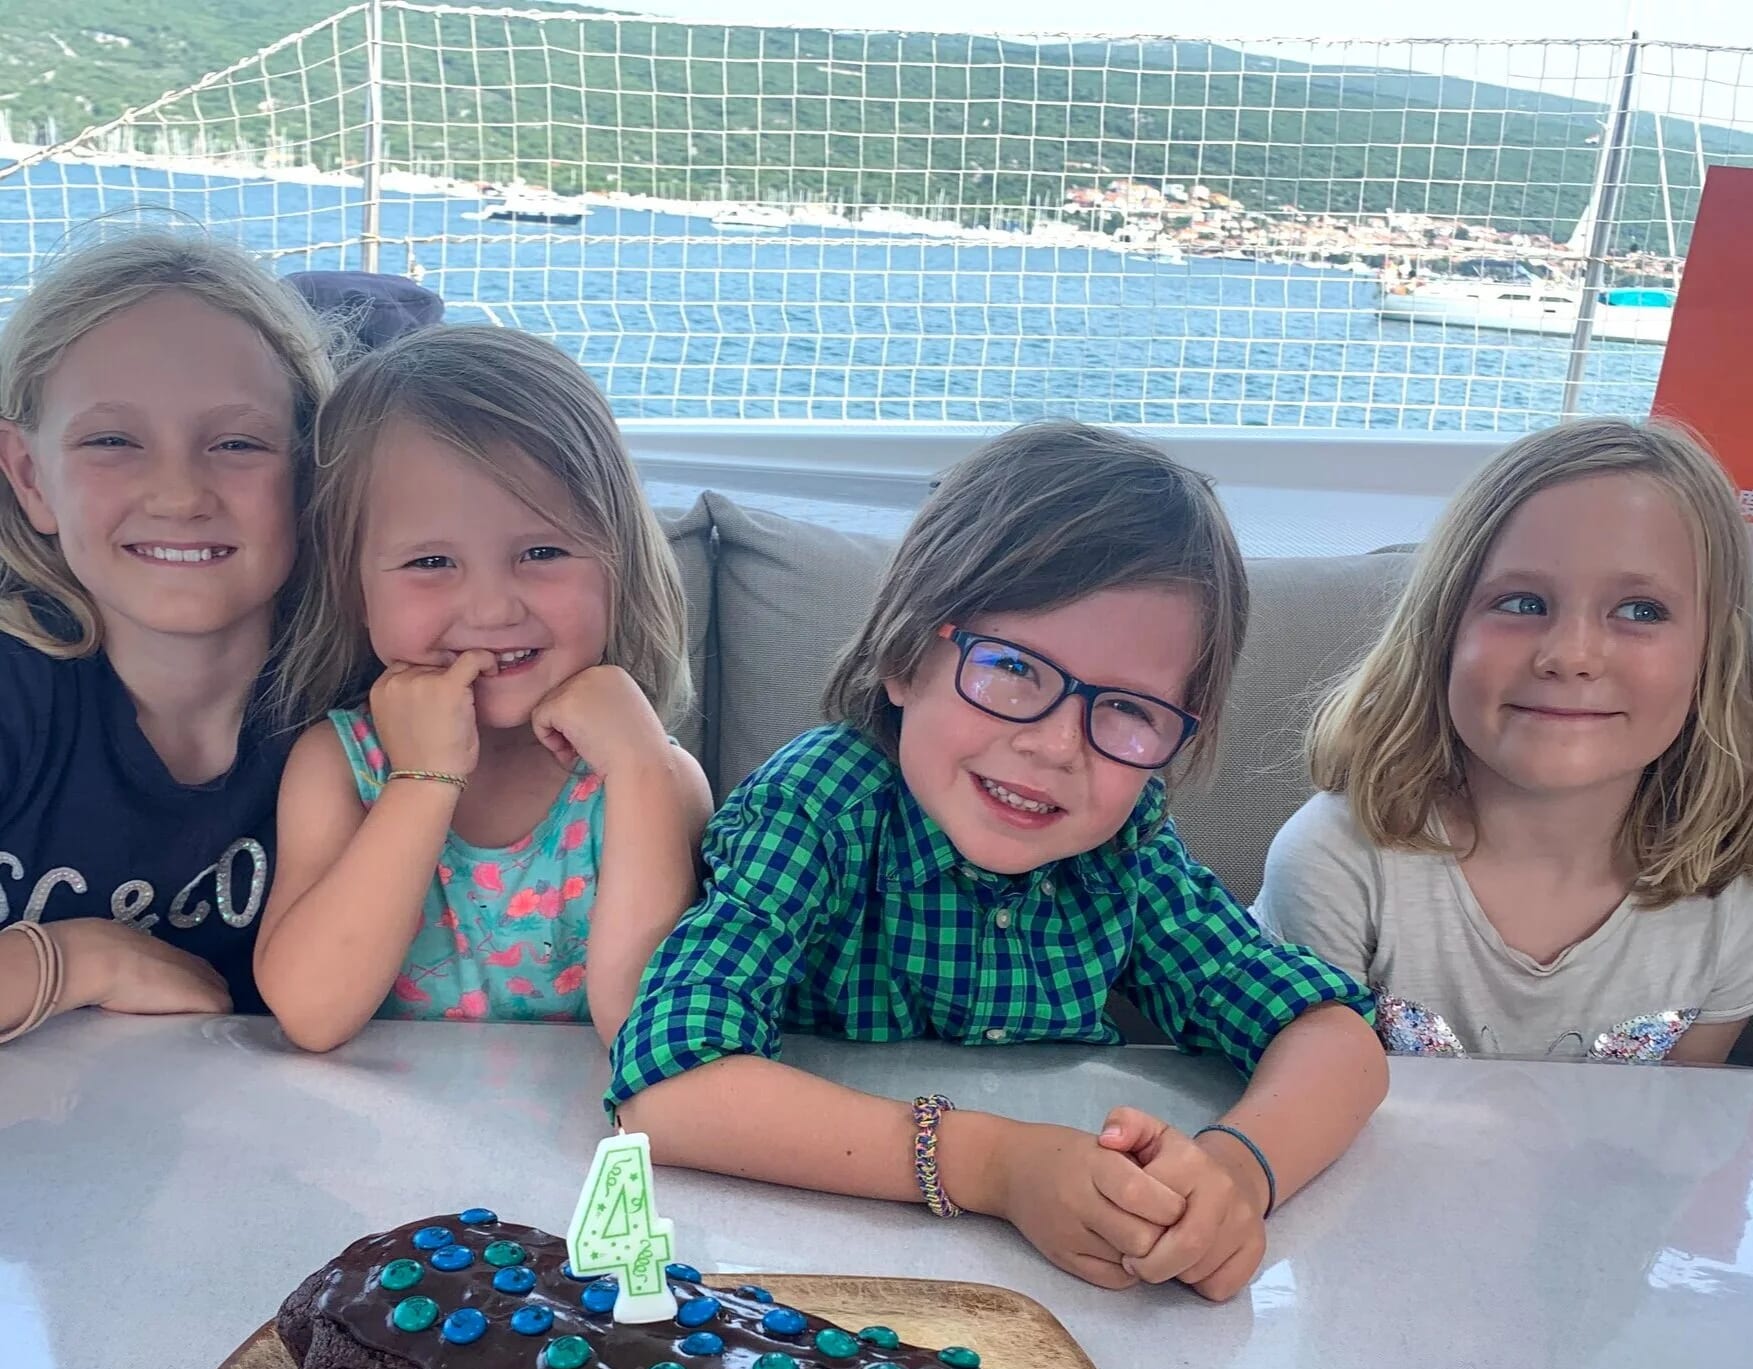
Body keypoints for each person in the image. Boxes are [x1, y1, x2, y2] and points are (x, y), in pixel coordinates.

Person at [609, 421, 1386, 1299]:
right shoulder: (816, 807)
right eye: (1013, 667)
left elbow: (1335, 1039)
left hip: (1059, 1294)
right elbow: (667, 1088)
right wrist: (995, 1166)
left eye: (1128, 709)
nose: (1056, 745)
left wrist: (1232, 1175)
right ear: (904, 657)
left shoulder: (1121, 847)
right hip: (803, 1275)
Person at [254, 325, 710, 1050]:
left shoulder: (652, 777)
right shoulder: (342, 765)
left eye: (543, 551)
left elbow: (641, 1028)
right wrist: (423, 778)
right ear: (353, 589)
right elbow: (311, 1012)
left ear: (618, 564)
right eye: (431, 562)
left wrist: (639, 768)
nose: (493, 609)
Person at [1256, 418, 1753, 1063]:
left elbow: (1680, 1117)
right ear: (1441, 633)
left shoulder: (1733, 898)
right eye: (1522, 603)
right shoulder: (1337, 862)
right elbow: (1299, 1094)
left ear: (1712, 658)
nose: (1570, 656)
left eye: (1640, 611)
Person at [0, 230, 334, 1043]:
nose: (180, 494)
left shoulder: (368, 707)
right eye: (112, 441)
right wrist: (72, 960)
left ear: (311, 471)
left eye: (238, 443)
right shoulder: (16, 693)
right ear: (30, 476)